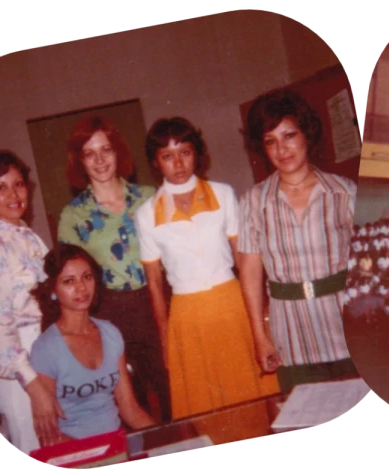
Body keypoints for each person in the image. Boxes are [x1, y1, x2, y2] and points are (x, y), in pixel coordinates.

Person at [134, 117, 280, 419]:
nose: (178, 163)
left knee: (252, 393)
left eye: (185, 152)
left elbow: (244, 259)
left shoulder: (223, 194)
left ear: (197, 153)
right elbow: (154, 284)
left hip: (232, 304)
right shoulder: (146, 214)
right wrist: (165, 338)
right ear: (155, 162)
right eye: (167, 156)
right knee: (206, 404)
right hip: (187, 316)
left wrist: (262, 317)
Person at [236, 88, 359, 394]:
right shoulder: (253, 202)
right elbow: (250, 273)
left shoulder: (344, 192)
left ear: (307, 134)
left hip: (346, 327)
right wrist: (260, 335)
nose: (282, 149)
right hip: (290, 336)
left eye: (289, 135)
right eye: (270, 141)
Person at [56, 116, 170, 422]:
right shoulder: (73, 216)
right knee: (128, 401)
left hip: (158, 302)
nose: (100, 160)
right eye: (89, 153)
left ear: (117, 151)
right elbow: (70, 279)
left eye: (105, 149)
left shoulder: (150, 197)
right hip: (109, 312)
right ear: (80, 161)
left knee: (174, 388)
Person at [0, 151, 56, 453]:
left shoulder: (28, 237)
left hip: (44, 357)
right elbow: (2, 334)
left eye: (18, 184)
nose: (14, 195)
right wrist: (35, 389)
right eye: (1, 187)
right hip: (21, 376)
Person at [28, 244, 158, 443]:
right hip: (76, 450)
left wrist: (166, 437)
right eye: (69, 281)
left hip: (119, 443)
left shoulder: (110, 333)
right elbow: (50, 435)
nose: (81, 287)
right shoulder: (46, 348)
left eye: (87, 277)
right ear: (53, 288)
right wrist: (101, 455)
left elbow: (130, 409)